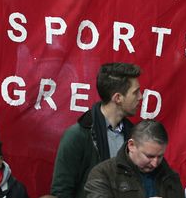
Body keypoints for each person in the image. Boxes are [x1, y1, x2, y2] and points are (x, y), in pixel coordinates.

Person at [51, 63, 142, 198]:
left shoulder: (135, 136)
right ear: (118, 98)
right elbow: (61, 192)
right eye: (135, 92)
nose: (140, 96)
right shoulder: (77, 136)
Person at [83, 120, 184, 198]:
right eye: (149, 156)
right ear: (131, 145)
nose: (155, 163)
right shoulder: (103, 173)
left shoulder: (170, 177)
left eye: (160, 156)